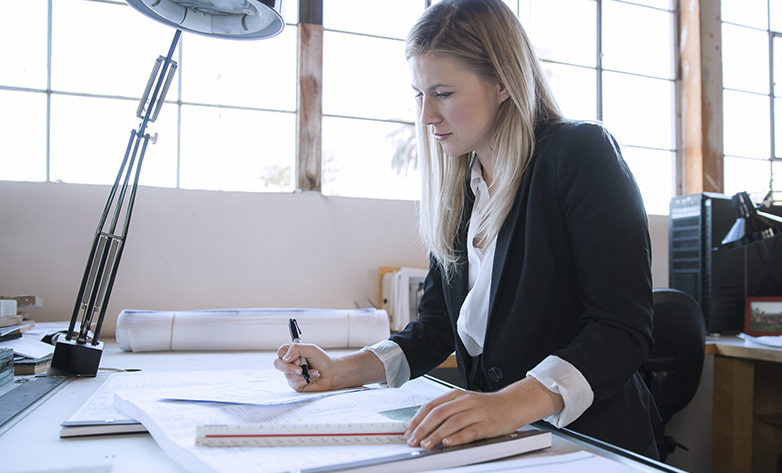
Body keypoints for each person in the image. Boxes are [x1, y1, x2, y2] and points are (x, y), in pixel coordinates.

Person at [275, 0, 660, 460]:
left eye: (444, 93)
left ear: (502, 82)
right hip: (505, 444)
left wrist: (506, 406)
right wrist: (342, 370)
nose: (426, 116)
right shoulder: (461, 186)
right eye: (420, 95)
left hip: (589, 442)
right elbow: (436, 327)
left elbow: (621, 328)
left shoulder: (580, 154)